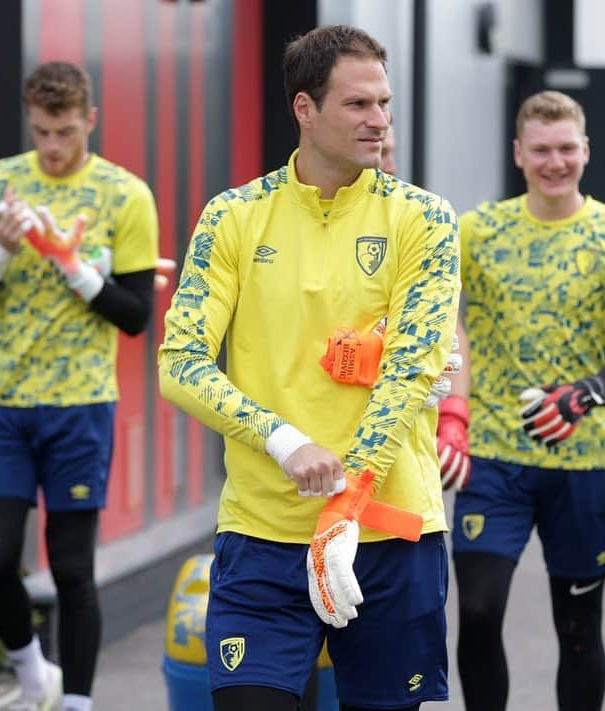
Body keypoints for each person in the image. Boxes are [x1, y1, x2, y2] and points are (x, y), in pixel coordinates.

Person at [157, 25, 460, 711]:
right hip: (265, 535)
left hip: (388, 531)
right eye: (357, 105)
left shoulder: (425, 219)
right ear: (304, 109)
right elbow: (179, 363)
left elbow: (412, 369)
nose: (379, 120)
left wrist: (348, 505)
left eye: (384, 102)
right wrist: (282, 439)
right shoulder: (233, 216)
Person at [0, 61, 163, 711]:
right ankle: (32, 671)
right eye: (41, 130)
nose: (51, 145)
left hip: (80, 405)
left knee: (72, 568)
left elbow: (135, 318)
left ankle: (77, 701)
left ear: (89, 120)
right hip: (1, 403)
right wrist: (1, 250)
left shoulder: (125, 195)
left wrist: (75, 267)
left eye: (65, 130)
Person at [437, 90, 605, 711]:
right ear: (518, 154)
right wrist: (449, 411)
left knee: (580, 630)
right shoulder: (475, 232)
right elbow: (438, 319)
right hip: (493, 457)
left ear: (586, 150)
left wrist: (582, 396)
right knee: (477, 613)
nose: (554, 161)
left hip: (583, 460)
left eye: (566, 148)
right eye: (541, 150)